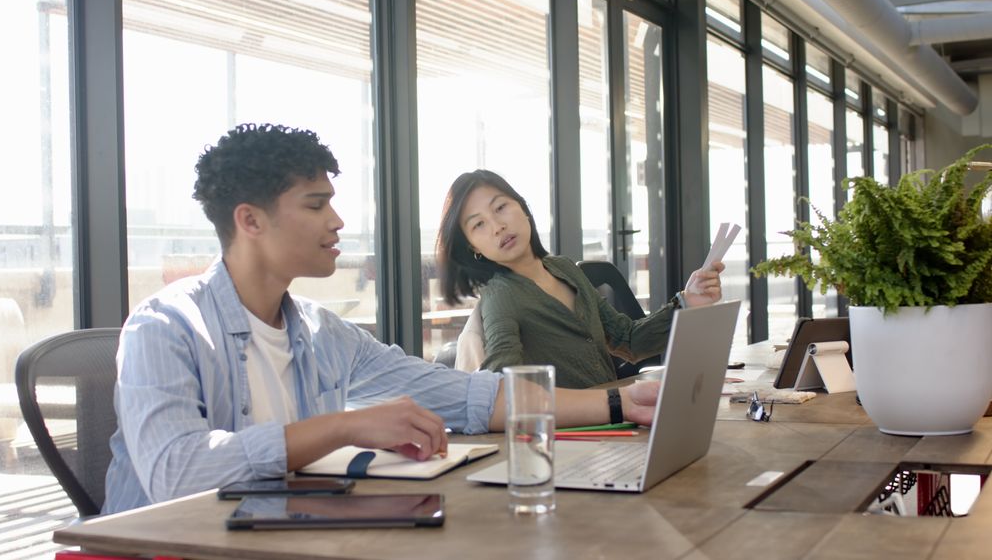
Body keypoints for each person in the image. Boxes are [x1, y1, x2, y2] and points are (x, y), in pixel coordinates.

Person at [103, 123, 663, 514]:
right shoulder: (165, 328)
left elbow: (470, 396)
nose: (339, 220)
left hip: (286, 534)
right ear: (250, 220)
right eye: (316, 205)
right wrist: (342, 426)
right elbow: (175, 475)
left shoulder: (325, 334)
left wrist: (618, 402)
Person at [436, 169, 725, 389]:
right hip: (575, 438)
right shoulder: (501, 295)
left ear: (522, 208)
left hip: (618, 424)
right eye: (479, 225)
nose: (498, 226)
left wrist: (687, 301)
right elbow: (503, 385)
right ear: (473, 247)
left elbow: (629, 341)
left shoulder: (564, 268)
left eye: (500, 208)